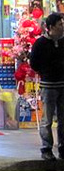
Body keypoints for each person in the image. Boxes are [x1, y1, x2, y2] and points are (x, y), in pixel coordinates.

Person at [29, 13, 64, 161]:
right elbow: (34, 63)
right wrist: (46, 71)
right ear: (50, 27)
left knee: (63, 119)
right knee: (47, 119)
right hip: (48, 85)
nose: (62, 27)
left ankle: (63, 148)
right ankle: (46, 148)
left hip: (63, 84)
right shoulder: (40, 43)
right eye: (60, 24)